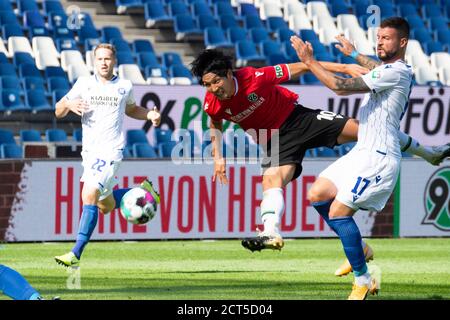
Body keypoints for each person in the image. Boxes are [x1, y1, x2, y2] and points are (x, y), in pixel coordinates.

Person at [189, 49, 450, 255]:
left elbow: (304, 65)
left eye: (214, 82)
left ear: (227, 73)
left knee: (366, 129)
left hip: (299, 119)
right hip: (274, 141)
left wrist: (345, 67)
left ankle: (429, 153)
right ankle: (271, 233)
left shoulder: (255, 77)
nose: (213, 90)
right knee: (270, 180)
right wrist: (218, 158)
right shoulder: (213, 102)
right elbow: (215, 123)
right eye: (207, 85)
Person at [290, 17, 419, 299]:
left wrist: (310, 62)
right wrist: (352, 54)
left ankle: (363, 280)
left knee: (338, 213)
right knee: (318, 194)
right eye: (378, 37)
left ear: (403, 42)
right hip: (362, 151)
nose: (380, 42)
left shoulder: (394, 73)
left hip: (378, 157)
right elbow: (375, 66)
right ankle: (360, 249)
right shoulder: (396, 70)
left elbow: (339, 86)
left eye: (386, 38)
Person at [53, 44, 161, 267]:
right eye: (100, 59)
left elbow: (131, 109)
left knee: (89, 193)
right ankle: (140, 192)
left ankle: (75, 253)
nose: (103, 62)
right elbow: (58, 110)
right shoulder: (84, 84)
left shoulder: (124, 86)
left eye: (107, 59)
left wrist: (149, 113)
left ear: (114, 61)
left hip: (111, 150)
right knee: (106, 206)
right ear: (94, 62)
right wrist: (69, 104)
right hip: (90, 153)